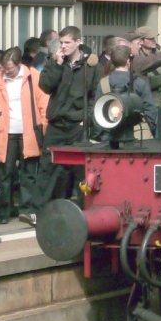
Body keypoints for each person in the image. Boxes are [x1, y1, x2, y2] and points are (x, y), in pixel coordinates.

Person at [24, 26, 97, 225]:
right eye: (61, 42)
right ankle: (38, 211)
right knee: (48, 167)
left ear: (78, 42)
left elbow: (94, 94)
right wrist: (56, 64)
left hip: (77, 124)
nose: (63, 46)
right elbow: (45, 86)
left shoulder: (90, 65)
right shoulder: (55, 61)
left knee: (80, 171)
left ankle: (86, 212)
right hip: (57, 123)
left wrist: (87, 118)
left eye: (67, 43)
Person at [0, 47, 49, 224]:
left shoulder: (33, 77)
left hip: (28, 131)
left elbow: (43, 103)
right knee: (3, 173)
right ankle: (2, 212)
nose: (6, 72)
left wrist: (44, 125)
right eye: (4, 68)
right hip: (4, 132)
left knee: (28, 173)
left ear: (19, 64)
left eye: (10, 69)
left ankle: (28, 210)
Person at [100, 45, 157, 138]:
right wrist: (150, 126)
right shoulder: (140, 83)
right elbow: (150, 109)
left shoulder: (103, 82)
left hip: (109, 133)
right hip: (137, 133)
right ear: (128, 61)